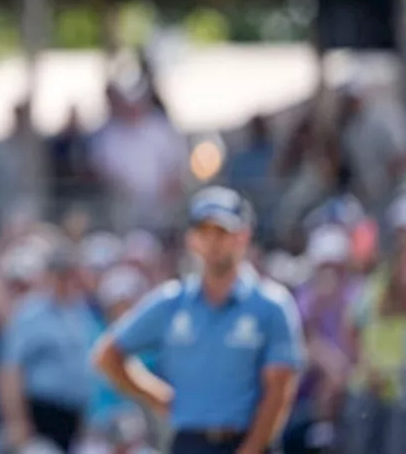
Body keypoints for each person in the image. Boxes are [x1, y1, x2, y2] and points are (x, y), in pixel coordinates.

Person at [91, 186, 305, 454]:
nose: (213, 242)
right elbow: (108, 355)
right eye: (204, 232)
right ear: (191, 239)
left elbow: (279, 391)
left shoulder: (270, 305)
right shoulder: (172, 302)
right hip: (190, 442)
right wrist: (159, 397)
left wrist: (251, 449)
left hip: (247, 439)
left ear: (243, 236)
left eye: (222, 232)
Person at [0, 244, 96, 453]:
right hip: (41, 413)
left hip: (74, 415)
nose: (66, 279)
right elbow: (9, 370)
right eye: (60, 273)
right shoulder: (30, 314)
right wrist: (16, 421)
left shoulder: (80, 311)